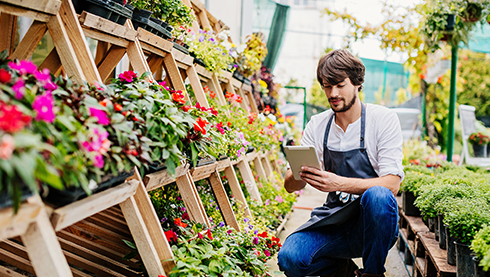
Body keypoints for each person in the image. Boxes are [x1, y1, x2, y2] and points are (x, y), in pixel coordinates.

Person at [277, 49, 404, 277]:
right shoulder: (317, 125)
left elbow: (393, 183)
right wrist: (299, 173)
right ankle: (344, 269)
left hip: (374, 226)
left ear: (357, 83)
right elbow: (290, 186)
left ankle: (373, 273)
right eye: (327, 86)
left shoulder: (382, 119)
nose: (333, 93)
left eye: (340, 85)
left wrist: (337, 183)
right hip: (333, 222)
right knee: (290, 258)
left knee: (378, 195)